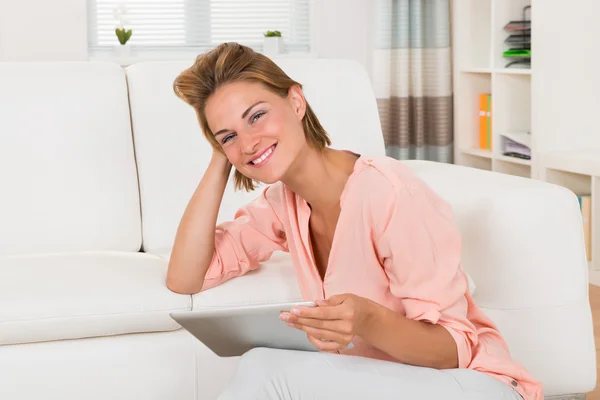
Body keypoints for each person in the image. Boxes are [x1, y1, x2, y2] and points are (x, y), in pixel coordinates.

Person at [167, 42, 543, 400]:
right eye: (229, 136)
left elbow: (453, 349)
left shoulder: (389, 192)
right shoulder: (284, 205)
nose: (248, 143)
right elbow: (185, 277)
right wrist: (221, 159)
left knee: (268, 371)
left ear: (295, 101)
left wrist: (366, 320)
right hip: (396, 385)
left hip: (474, 385)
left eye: (257, 116)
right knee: (260, 365)